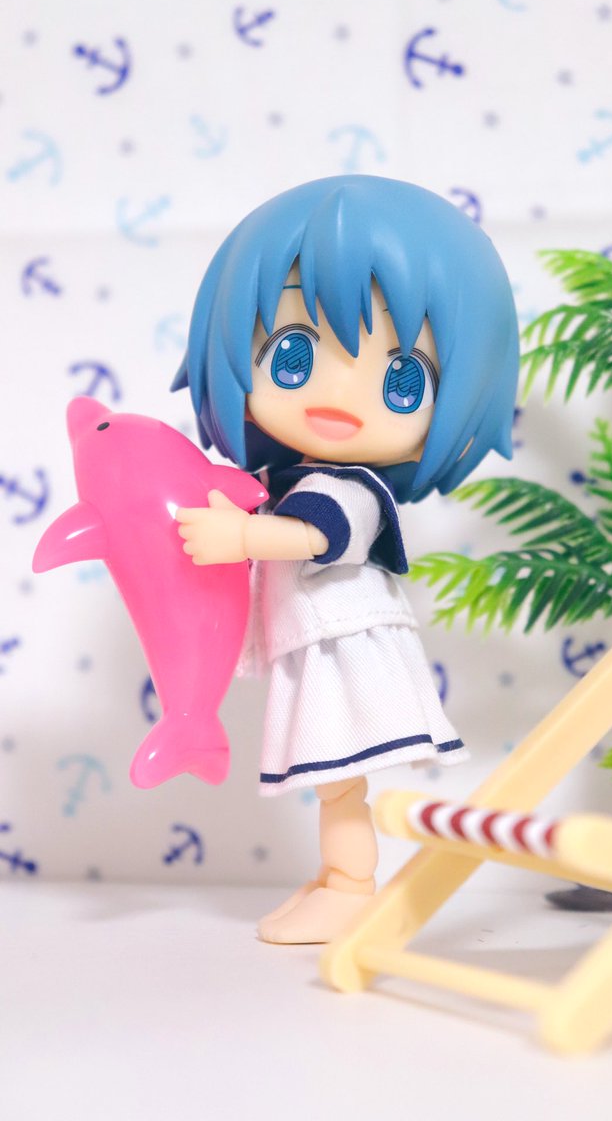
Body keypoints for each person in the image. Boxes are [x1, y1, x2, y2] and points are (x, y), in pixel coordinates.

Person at [173, 175, 519, 943]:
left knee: (338, 783)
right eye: (293, 354)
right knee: (331, 781)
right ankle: (337, 880)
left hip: (347, 648)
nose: (338, 394)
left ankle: (353, 886)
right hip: (317, 643)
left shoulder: (351, 488)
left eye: (402, 377)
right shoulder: (288, 479)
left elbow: (315, 537)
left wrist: (241, 540)